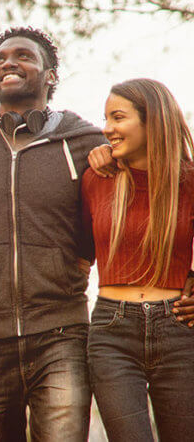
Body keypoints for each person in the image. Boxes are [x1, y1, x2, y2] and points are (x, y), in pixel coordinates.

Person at [0, 27, 107, 440]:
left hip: (62, 334)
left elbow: (136, 213)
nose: (8, 64)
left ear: (50, 75)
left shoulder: (87, 143)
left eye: (23, 57)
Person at [82, 78, 194, 441]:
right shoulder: (96, 180)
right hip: (112, 332)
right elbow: (77, 249)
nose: (107, 128)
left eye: (118, 117)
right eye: (106, 118)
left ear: (153, 121)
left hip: (179, 329)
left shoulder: (189, 182)